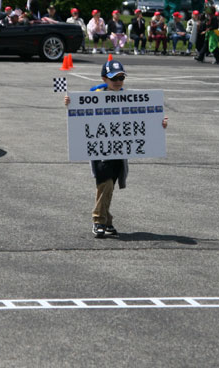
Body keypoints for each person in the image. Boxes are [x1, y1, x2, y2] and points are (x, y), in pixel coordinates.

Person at [63, 60, 168, 238]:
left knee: (109, 187)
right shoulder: (96, 95)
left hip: (119, 152)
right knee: (106, 184)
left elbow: (143, 121)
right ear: (105, 78)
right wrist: (69, 103)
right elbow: (81, 114)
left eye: (121, 77)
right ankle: (98, 220)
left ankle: (107, 220)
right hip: (100, 151)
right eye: (114, 78)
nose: (118, 81)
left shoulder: (128, 99)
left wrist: (160, 124)